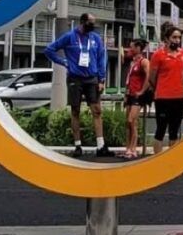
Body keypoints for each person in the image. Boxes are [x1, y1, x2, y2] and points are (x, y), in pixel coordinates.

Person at [44, 13, 110, 158]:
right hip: (75, 78)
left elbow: (101, 58)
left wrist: (102, 79)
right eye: (90, 23)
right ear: (82, 22)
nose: (93, 26)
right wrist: (64, 62)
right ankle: (78, 145)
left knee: (97, 110)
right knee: (75, 111)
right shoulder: (69, 36)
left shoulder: (95, 38)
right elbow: (49, 50)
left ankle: (101, 146)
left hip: (92, 78)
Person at [141, 23, 183, 154]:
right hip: (162, 98)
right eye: (174, 37)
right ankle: (157, 160)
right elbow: (152, 77)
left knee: (174, 131)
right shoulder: (158, 55)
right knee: (160, 129)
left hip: (178, 97)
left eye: (179, 37)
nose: (177, 40)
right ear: (167, 39)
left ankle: (172, 160)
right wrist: (161, 88)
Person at [122, 38, 150, 159]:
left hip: (138, 96)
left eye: (132, 47)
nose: (130, 49)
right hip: (130, 94)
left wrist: (142, 91)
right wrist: (125, 94)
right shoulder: (132, 62)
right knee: (127, 123)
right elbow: (129, 80)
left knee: (132, 121)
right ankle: (128, 148)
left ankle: (133, 149)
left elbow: (149, 77)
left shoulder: (144, 61)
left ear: (138, 48)